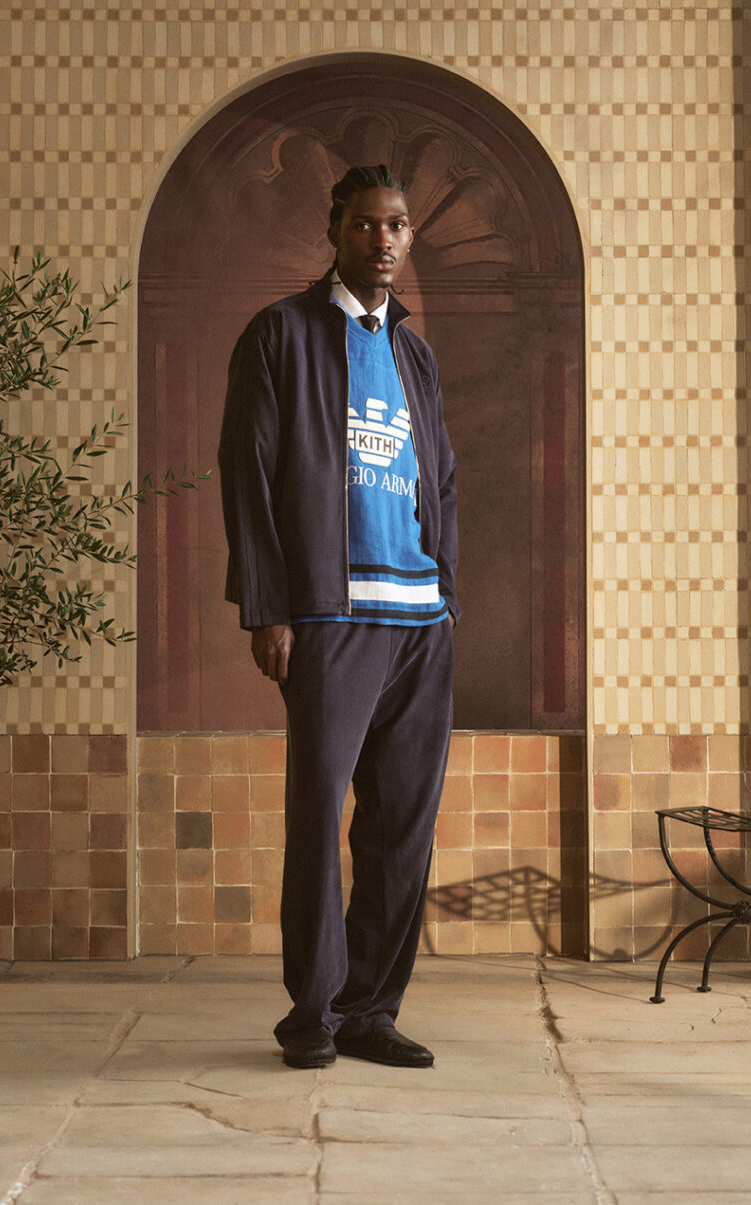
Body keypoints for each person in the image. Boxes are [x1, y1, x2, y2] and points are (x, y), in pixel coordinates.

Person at [219, 164, 458, 1070]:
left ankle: (369, 1010)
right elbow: (248, 471)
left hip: (420, 621)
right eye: (365, 224)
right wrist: (270, 608)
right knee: (320, 814)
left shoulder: (414, 354)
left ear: (409, 235)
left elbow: (441, 478)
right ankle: (311, 1012)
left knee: (403, 826)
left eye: (396, 225)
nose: (382, 240)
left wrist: (448, 595)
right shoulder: (281, 334)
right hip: (329, 614)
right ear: (335, 230)